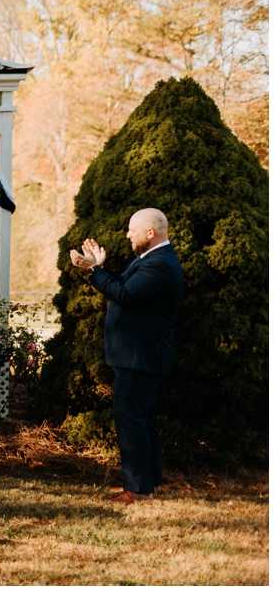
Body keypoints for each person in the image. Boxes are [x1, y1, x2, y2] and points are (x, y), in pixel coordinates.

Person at [70, 208, 184, 505]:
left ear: (150, 233)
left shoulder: (159, 264)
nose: (127, 234)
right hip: (141, 354)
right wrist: (100, 266)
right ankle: (151, 483)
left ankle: (138, 489)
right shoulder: (150, 259)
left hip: (141, 355)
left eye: (133, 229)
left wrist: (93, 270)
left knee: (131, 419)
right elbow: (123, 284)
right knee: (142, 419)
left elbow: (124, 294)